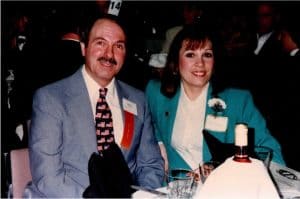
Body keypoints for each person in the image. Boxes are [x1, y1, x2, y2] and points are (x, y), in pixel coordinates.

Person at [24, 14, 164, 197]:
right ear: (84, 47)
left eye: (118, 46)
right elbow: (48, 178)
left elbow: (151, 165)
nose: (109, 54)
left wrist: (141, 196)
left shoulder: (137, 100)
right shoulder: (51, 99)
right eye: (101, 43)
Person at [145, 24, 285, 172]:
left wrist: (224, 169)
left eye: (207, 55)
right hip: (175, 189)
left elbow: (270, 150)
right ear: (175, 63)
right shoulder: (156, 93)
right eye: (190, 55)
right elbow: (145, 122)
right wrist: (159, 142)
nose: (200, 63)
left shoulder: (238, 101)